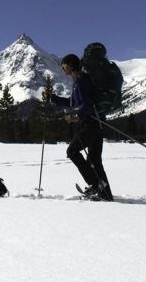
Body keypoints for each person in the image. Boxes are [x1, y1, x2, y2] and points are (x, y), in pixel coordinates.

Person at [53, 53, 113, 201]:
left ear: (71, 65)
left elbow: (86, 104)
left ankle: (95, 184)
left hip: (90, 124)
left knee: (72, 151)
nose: (62, 69)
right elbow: (73, 103)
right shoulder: (79, 81)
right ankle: (105, 193)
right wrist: (53, 99)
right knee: (94, 160)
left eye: (64, 66)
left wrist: (75, 117)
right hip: (95, 123)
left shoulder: (82, 81)